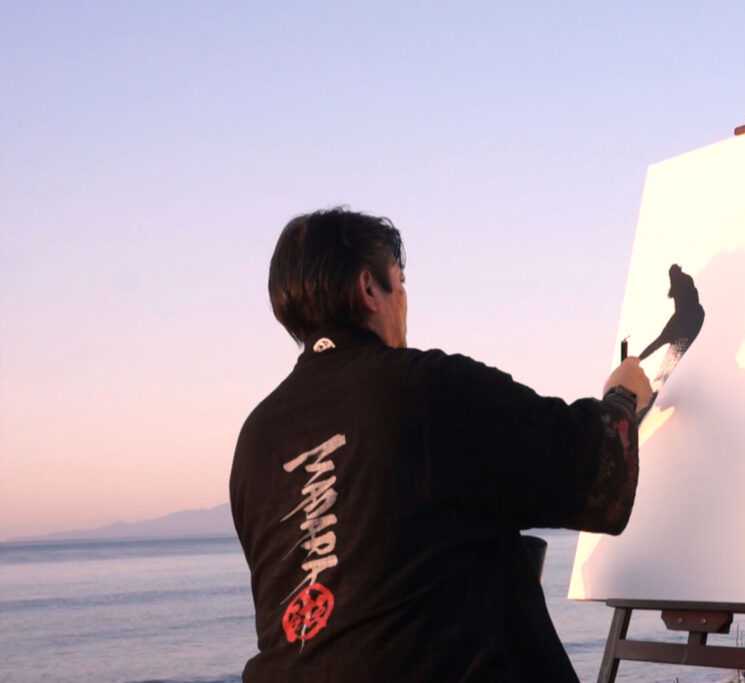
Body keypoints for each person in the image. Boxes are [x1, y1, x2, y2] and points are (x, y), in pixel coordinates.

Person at [230, 207, 653, 682]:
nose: (405, 300)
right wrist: (623, 396)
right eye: (400, 282)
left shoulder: (255, 438)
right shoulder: (424, 388)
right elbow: (599, 477)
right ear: (369, 288)